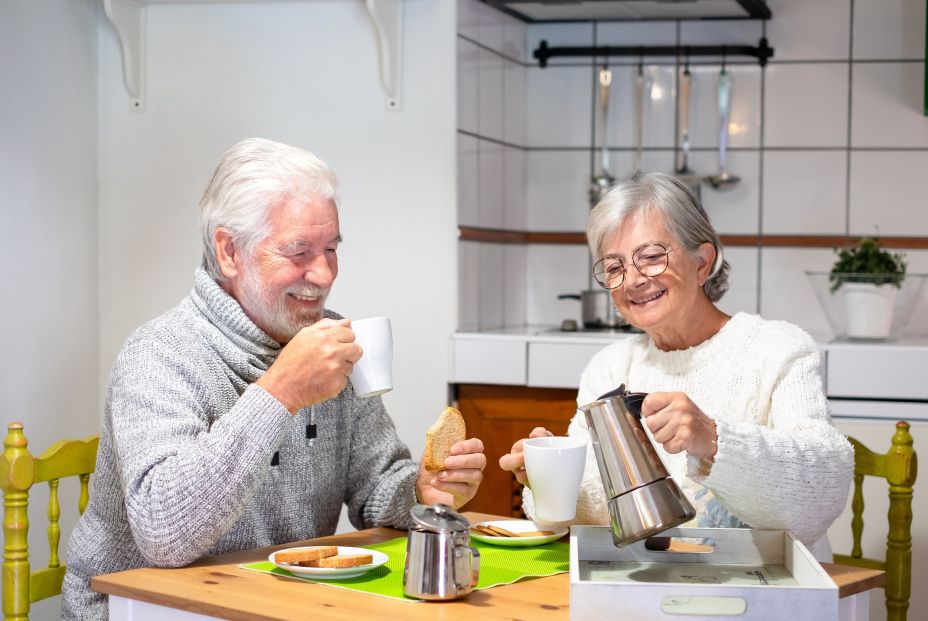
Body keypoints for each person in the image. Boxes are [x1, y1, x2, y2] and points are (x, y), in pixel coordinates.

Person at [62, 138, 486, 618]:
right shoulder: (159, 354)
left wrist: (420, 491)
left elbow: (377, 485)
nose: (324, 274)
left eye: (330, 249)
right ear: (229, 252)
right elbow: (165, 535)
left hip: (275, 605)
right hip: (141, 610)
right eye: (299, 251)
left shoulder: (330, 344)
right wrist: (281, 390)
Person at [499, 172, 853, 560]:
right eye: (614, 267)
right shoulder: (610, 367)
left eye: (651, 258)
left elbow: (824, 494)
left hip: (766, 592)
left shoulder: (778, 349)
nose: (633, 280)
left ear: (703, 263)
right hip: (651, 588)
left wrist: (713, 439)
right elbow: (599, 508)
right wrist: (547, 481)